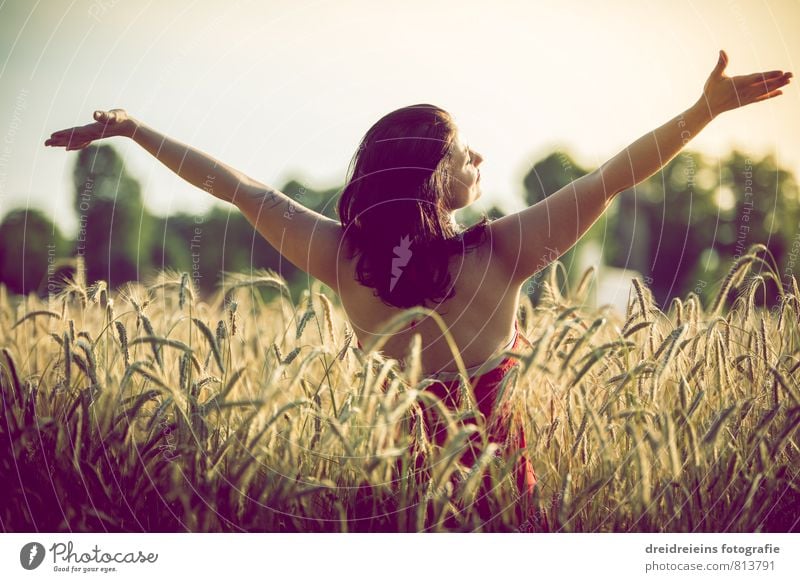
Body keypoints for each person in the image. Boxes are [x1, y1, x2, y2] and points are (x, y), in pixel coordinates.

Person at [45, 50, 791, 529]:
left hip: (390, 500)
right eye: (465, 147)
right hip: (503, 500)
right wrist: (704, 112)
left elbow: (238, 188)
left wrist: (136, 130)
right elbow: (616, 176)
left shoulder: (342, 257)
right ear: (439, 175)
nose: (480, 155)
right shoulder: (503, 250)